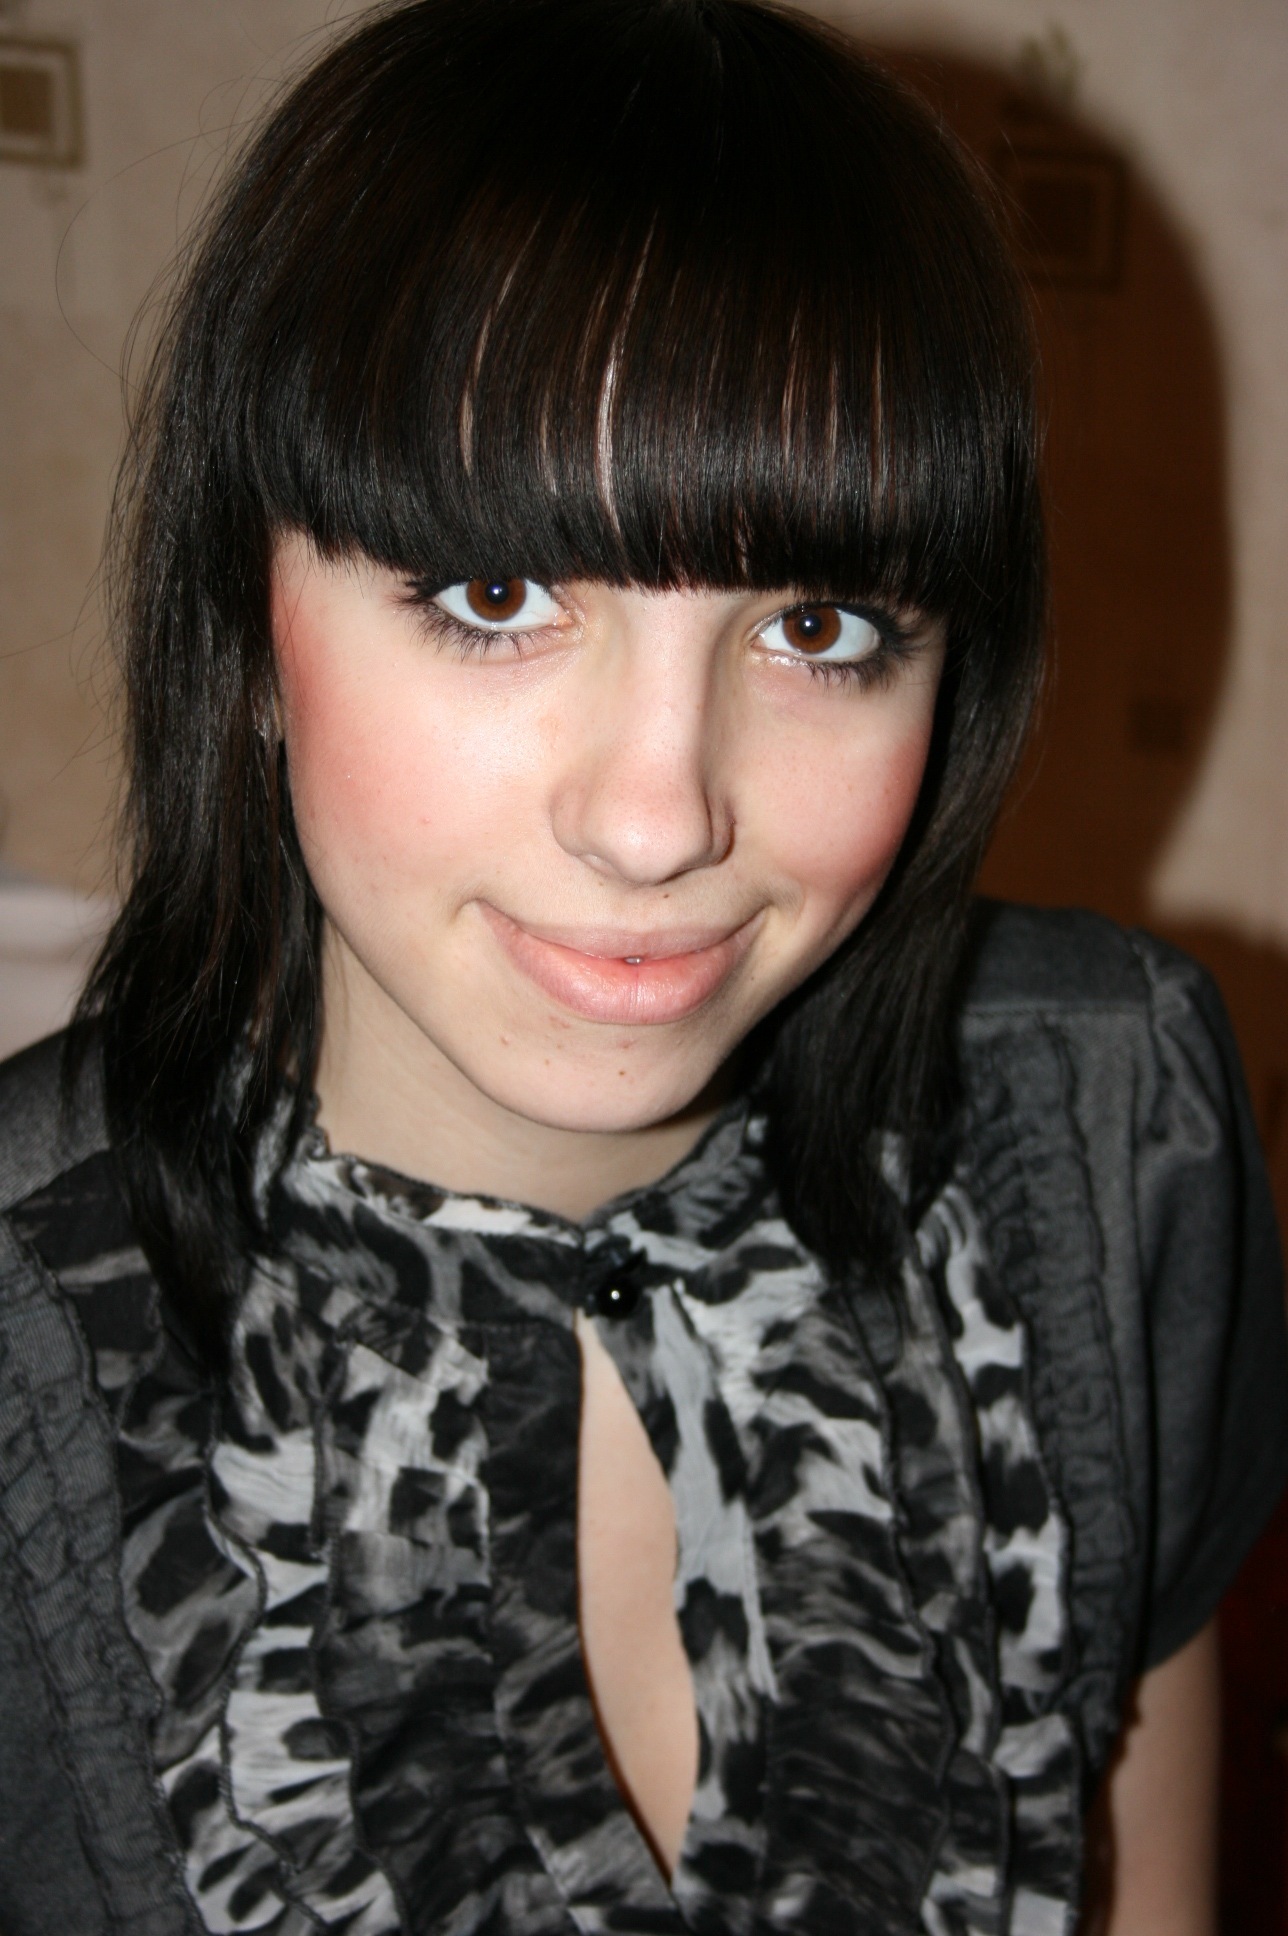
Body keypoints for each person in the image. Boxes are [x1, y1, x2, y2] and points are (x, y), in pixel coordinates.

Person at [0, 1, 1282, 1931]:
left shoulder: (1115, 1126)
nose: (658, 817)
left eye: (819, 626)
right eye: (498, 595)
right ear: (248, 629)